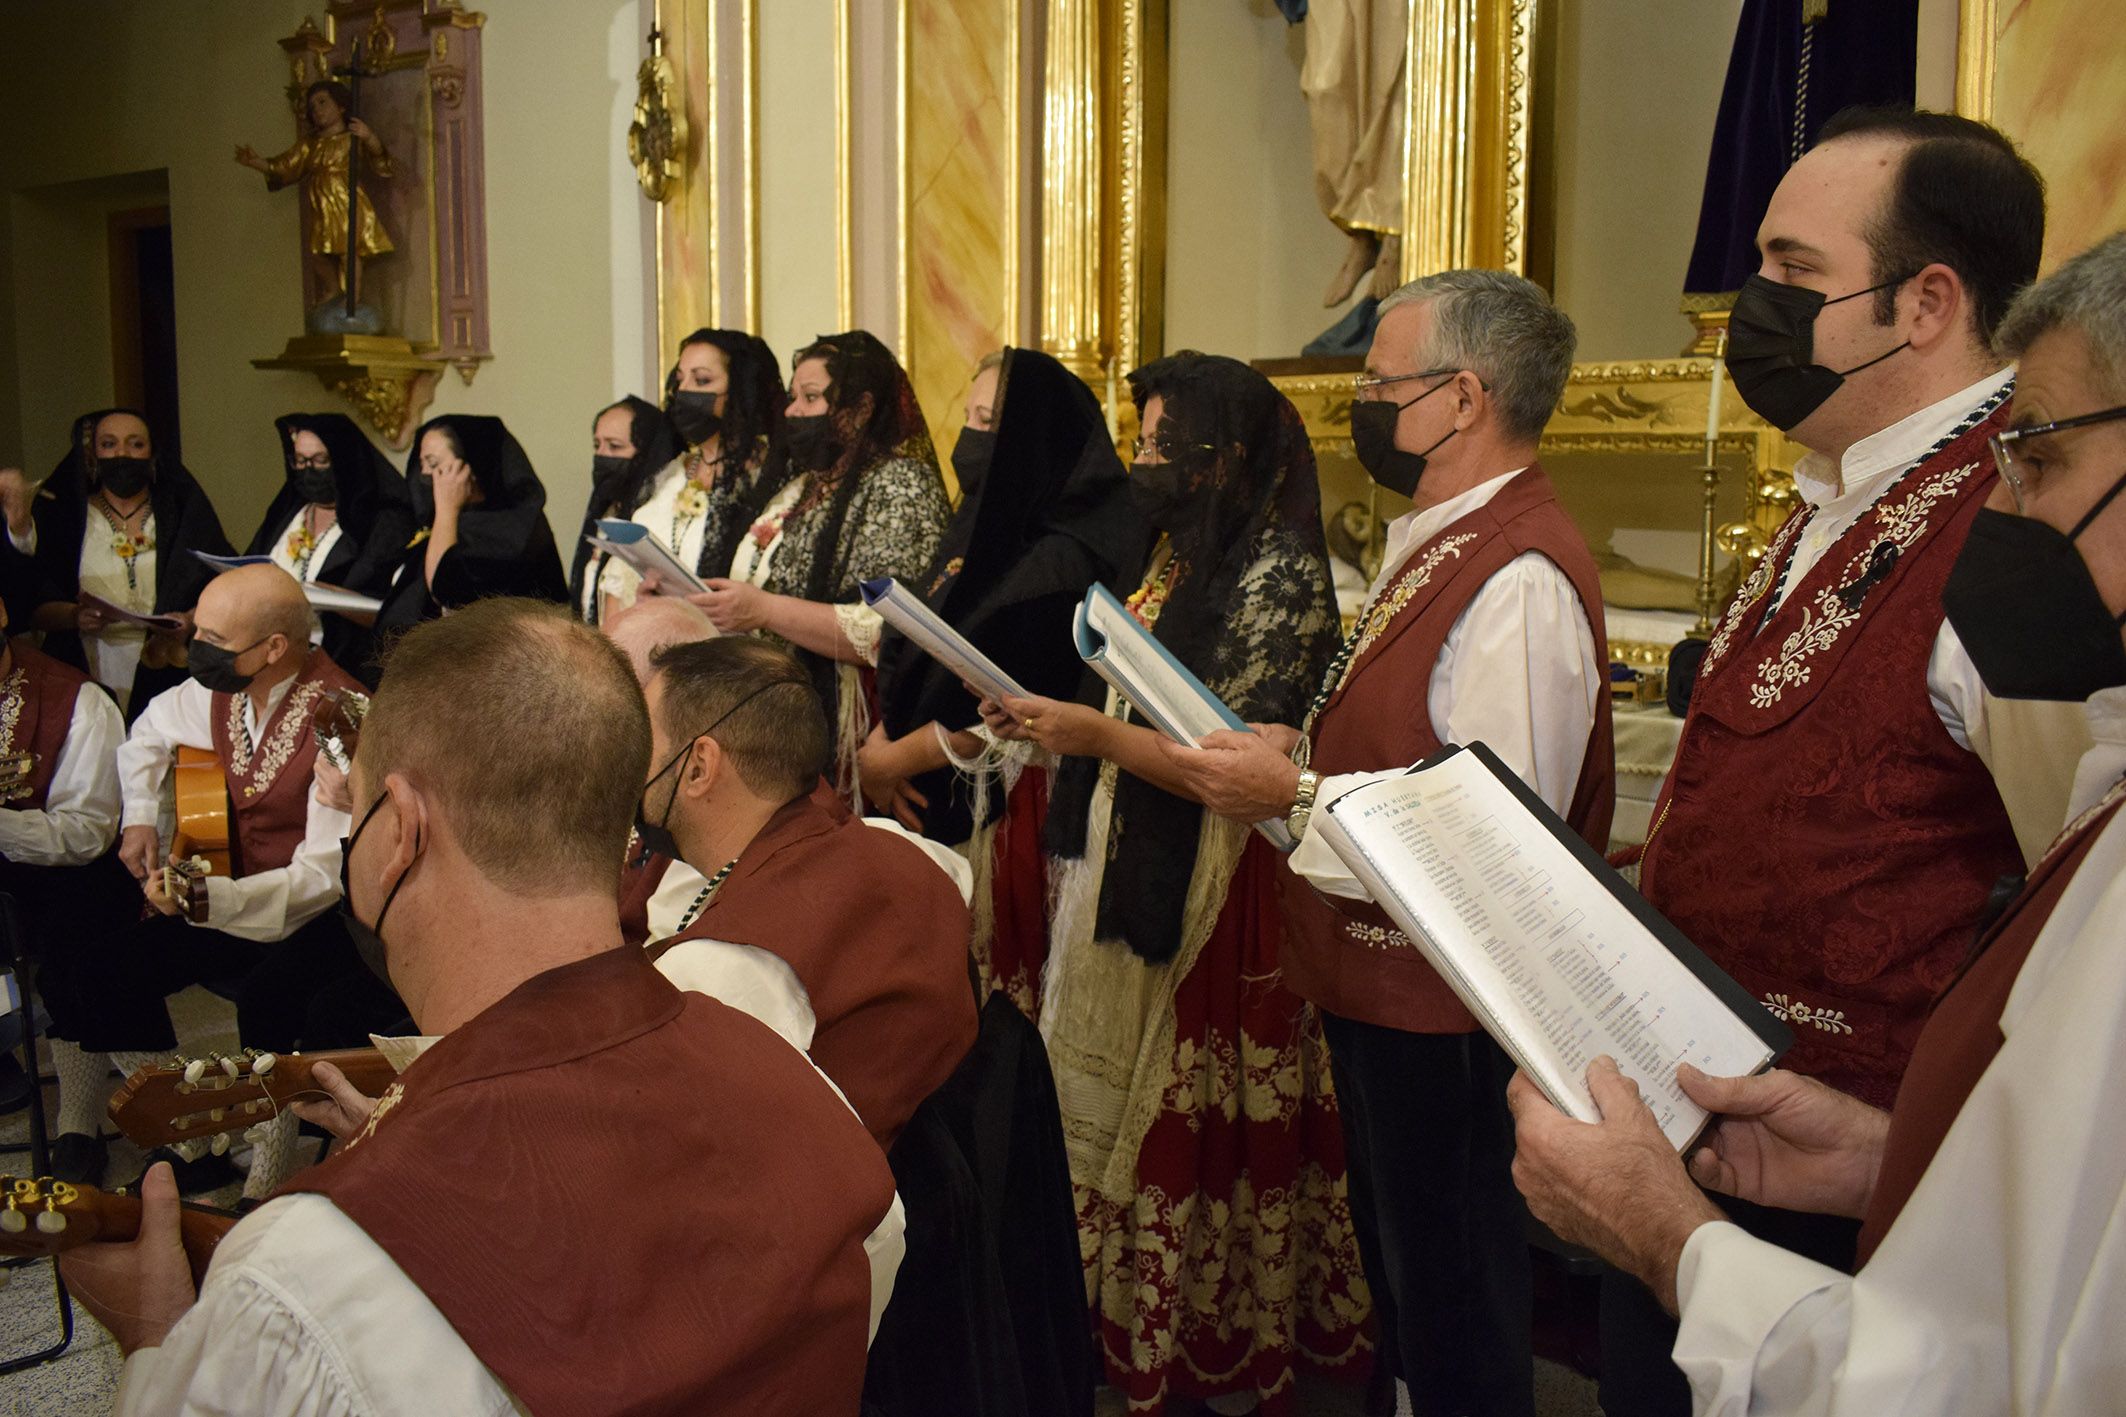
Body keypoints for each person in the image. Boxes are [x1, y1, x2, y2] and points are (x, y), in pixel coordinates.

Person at [1507, 229, 2126, 1417]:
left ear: (1925, 300)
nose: (2005, 499)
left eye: (2037, 452)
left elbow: (1984, 1376)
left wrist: (1666, 1236)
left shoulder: (1988, 593)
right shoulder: (1816, 511)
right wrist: (1885, 1159)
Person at [60, 598, 905, 1413]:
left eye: (355, 805)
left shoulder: (297, 1281)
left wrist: (152, 1334)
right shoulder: (804, 1090)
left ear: (401, 833)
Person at [1598, 106, 2048, 1412]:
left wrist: (1908, 1154)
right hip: (1716, 1152)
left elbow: (2069, 900)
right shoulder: (1828, 492)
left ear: (1924, 303)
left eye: (1792, 275)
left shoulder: (2013, 527)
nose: (1750, 306)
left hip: (1855, 1199)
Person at [1159, 271, 1609, 1417]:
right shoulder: (1440, 541)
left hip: (1451, 1012)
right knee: (1405, 1288)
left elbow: (1490, 832)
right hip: (1387, 981)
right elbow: (1407, 751)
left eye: (1376, 383)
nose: (1355, 405)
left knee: (1454, 1293)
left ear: (1461, 399)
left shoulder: (1514, 570)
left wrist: (1296, 787)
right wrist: (1291, 757)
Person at [981, 353, 1364, 1414]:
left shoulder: (1275, 573)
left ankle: (1194, 1333)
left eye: (1164, 443)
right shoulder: (1172, 554)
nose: (1147, 460)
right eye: (1139, 438)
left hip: (1209, 881)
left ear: (1226, 457)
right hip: (1118, 838)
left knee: (1180, 1116)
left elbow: (1226, 765)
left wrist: (1092, 730)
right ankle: (1093, 1310)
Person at [37, 566, 371, 1199]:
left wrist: (211, 900)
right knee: (93, 971)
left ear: (275, 647)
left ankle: (266, 1177)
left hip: (317, 918)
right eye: (199, 630)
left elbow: (322, 877)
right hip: (230, 899)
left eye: (215, 639)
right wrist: (139, 819)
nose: (198, 651)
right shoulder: (223, 688)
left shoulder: (342, 719)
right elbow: (149, 732)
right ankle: (196, 1134)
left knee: (266, 1003)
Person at [631, 635, 978, 1149]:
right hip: (938, 1190)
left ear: (700, 767)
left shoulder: (717, 971)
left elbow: (699, 1164)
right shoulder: (914, 852)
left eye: (639, 741)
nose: (626, 763)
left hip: (849, 1217)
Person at [649, 330, 950, 794]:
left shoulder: (898, 485)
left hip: (845, 728)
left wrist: (764, 611)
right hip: (765, 712)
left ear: (861, 409)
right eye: (792, 397)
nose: (792, 412)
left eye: (811, 398)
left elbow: (886, 630)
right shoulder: (799, 484)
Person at [0, 408, 233, 719]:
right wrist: (75, 616)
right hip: (87, 660)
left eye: (135, 444)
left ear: (152, 454)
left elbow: (221, 580)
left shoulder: (182, 512)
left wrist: (191, 618)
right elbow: (30, 596)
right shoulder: (65, 515)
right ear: (92, 455)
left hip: (164, 664)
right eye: (109, 444)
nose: (122, 454)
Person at [0, 594, 129, 1107]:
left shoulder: (76, 701)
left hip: (54, 884)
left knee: (79, 951)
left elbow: (85, 834)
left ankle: (77, 1115)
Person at [593, 329, 789, 624]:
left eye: (702, 380)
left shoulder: (776, 483)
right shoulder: (667, 476)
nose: (683, 392)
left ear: (740, 390)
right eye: (680, 379)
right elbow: (619, 586)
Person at [245, 411, 414, 680]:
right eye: (300, 461)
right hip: (271, 655)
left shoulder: (382, 522)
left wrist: (330, 596)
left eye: (320, 461)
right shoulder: (289, 511)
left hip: (341, 661)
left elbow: (394, 609)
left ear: (344, 462)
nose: (308, 470)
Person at [373, 414, 567, 634]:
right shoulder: (459, 520)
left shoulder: (514, 527)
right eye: (422, 463)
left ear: (472, 468)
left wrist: (446, 508)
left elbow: (444, 588)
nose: (425, 473)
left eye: (433, 463)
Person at [234, 79, 392, 304]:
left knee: (350, 253)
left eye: (322, 102)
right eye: (313, 107)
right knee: (318, 253)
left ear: (341, 106)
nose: (317, 110)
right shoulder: (310, 145)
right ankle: (333, 289)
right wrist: (255, 162)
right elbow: (285, 166)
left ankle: (353, 300)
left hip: (347, 202)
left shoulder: (352, 138)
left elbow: (378, 156)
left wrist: (369, 136)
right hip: (322, 206)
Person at [567, 395, 681, 623]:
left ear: (647, 452)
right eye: (597, 445)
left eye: (615, 446)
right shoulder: (606, 509)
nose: (602, 456)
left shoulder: (659, 518)